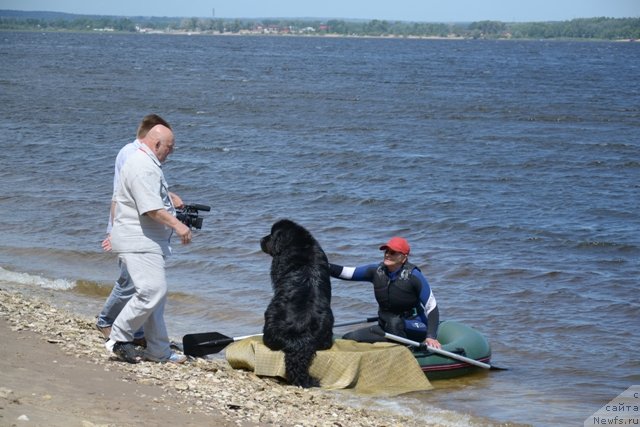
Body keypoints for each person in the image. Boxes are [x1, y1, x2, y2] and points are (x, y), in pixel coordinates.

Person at [105, 124, 192, 364]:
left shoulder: (142, 163)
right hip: (139, 240)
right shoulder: (143, 166)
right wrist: (178, 225)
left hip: (144, 240)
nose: (171, 153)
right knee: (152, 291)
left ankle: (158, 351)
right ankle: (119, 337)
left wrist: (170, 199)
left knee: (156, 300)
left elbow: (125, 200)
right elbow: (150, 208)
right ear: (156, 144)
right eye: (169, 148)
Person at [330, 237, 442, 349]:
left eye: (393, 252)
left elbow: (432, 307)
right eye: (386, 251)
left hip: (415, 326)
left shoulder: (414, 276)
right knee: (349, 338)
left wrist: (431, 336)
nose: (388, 254)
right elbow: (347, 273)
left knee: (395, 323)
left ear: (404, 257)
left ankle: (405, 352)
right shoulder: (376, 271)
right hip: (386, 326)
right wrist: (321, 265)